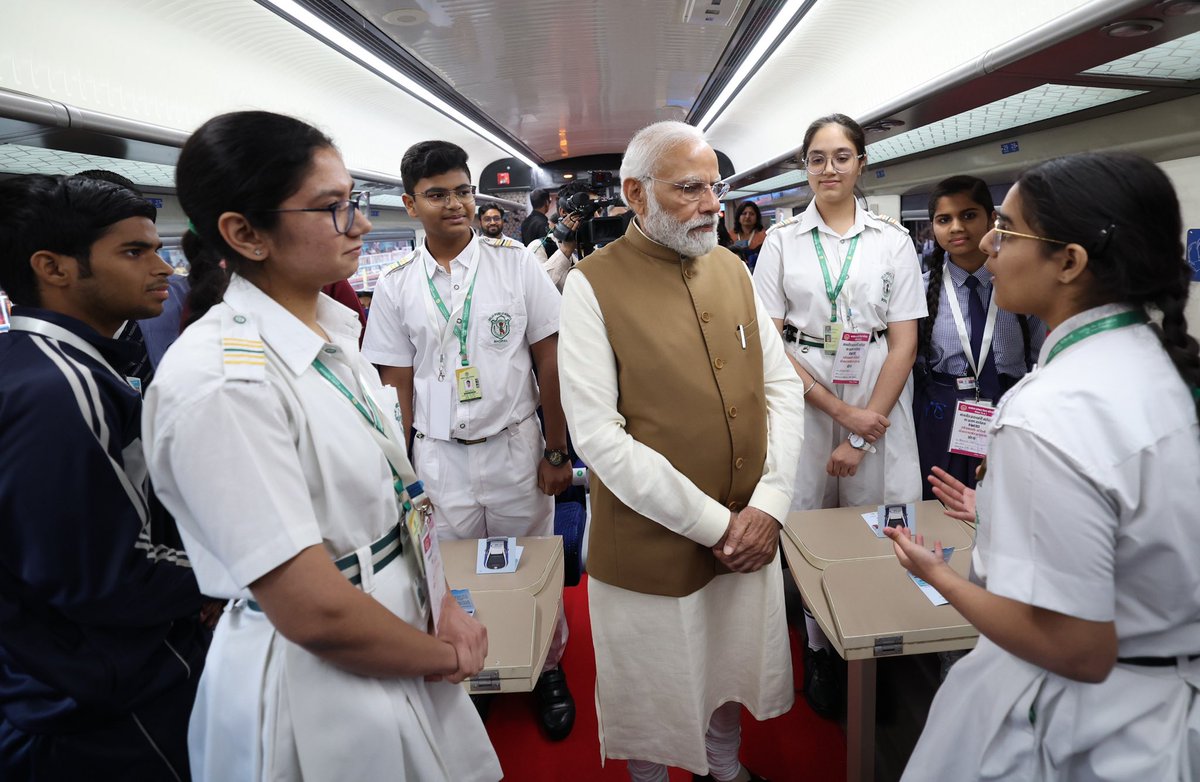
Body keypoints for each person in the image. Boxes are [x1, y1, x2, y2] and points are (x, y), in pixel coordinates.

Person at [142, 111, 500, 781]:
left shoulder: (329, 336)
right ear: (244, 233)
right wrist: (445, 658)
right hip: (318, 682)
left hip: (400, 626)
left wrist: (445, 604)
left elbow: (396, 502)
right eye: (333, 208)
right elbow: (313, 610)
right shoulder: (223, 382)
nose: (360, 225)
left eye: (354, 202)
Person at [889, 151, 1200, 780]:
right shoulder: (1159, 365)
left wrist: (940, 576)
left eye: (1005, 229)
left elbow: (1076, 648)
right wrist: (1001, 511)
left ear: (1070, 261)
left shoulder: (1049, 410)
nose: (988, 246)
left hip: (1089, 723)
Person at [559, 120, 804, 782]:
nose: (712, 205)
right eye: (690, 189)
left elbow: (781, 388)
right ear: (635, 194)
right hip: (651, 543)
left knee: (729, 669)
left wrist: (772, 504)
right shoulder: (591, 285)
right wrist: (722, 525)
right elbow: (598, 438)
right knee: (653, 692)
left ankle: (725, 768)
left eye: (715, 188)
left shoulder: (732, 269)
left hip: (752, 523)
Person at [361, 139, 576, 740]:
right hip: (436, 458)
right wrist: (402, 477)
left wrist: (557, 451)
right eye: (437, 195)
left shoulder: (516, 264)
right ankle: (476, 670)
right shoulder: (397, 284)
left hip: (515, 447)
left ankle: (547, 666)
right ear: (410, 203)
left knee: (531, 564)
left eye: (461, 191)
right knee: (451, 579)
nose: (453, 204)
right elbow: (395, 388)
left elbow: (548, 363)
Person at [0, 174, 207, 780]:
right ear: (54, 268)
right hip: (104, 706)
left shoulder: (51, 369)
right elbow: (106, 574)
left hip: (82, 687)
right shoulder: (61, 389)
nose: (163, 267)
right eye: (134, 252)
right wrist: (234, 572)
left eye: (158, 248)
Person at [752, 112, 926, 718]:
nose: (829, 169)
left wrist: (865, 422)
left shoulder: (893, 240)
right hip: (804, 385)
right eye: (817, 158)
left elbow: (904, 341)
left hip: (878, 383)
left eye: (841, 156)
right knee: (804, 520)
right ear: (805, 167)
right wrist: (837, 412)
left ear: (861, 164)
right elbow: (769, 341)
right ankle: (821, 645)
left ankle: (877, 634)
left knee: (875, 520)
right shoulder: (780, 242)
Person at [913, 175, 1043, 499]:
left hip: (1008, 405)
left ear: (992, 219)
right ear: (933, 227)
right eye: (945, 220)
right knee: (939, 501)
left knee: (1007, 497)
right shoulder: (917, 289)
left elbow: (1041, 355)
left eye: (968, 215)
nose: (957, 227)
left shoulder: (1021, 285)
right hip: (941, 411)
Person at [526, 180, 593, 291]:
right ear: (563, 212)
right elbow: (536, 288)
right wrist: (565, 251)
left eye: (598, 211)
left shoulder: (598, 247)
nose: (595, 216)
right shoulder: (540, 247)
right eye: (588, 211)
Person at [730, 200, 766, 269]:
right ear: (738, 216)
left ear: (757, 217)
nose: (747, 216)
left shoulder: (764, 236)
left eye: (751, 214)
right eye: (744, 213)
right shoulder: (730, 236)